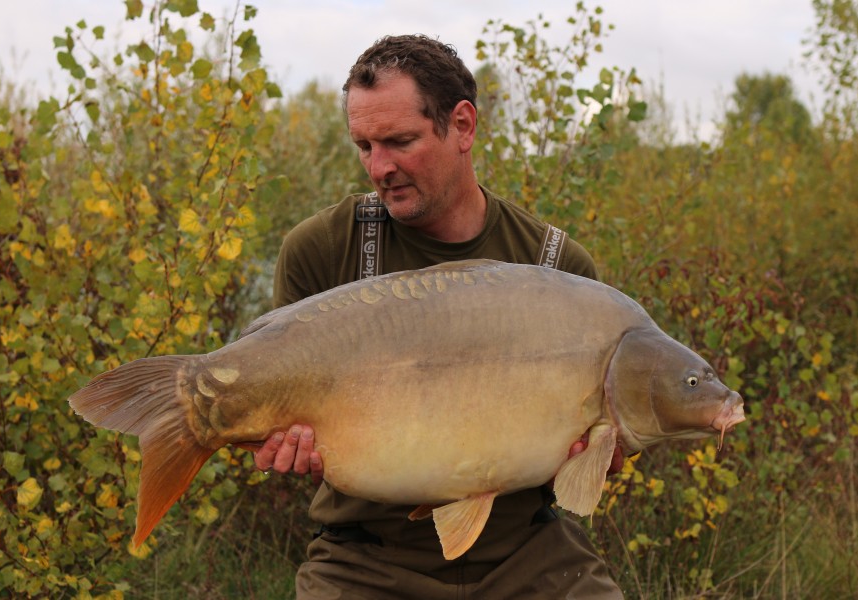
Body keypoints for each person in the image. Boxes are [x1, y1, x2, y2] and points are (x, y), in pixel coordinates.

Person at [254, 34, 625, 599]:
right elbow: (281, 412)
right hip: (365, 558)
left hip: (527, 552)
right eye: (364, 146)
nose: (379, 168)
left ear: (463, 126)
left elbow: (597, 458)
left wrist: (605, 452)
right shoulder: (321, 250)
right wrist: (281, 439)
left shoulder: (558, 268)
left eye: (400, 141)